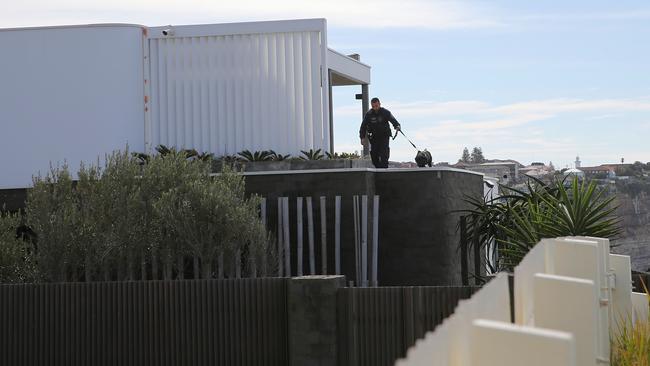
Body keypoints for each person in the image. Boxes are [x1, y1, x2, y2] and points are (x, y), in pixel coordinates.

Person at [359, 97, 401, 168]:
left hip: (384, 136)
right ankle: (378, 169)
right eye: (373, 106)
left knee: (384, 154)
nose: (375, 108)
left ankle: (384, 170)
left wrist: (397, 126)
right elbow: (363, 126)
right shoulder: (369, 114)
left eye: (376, 106)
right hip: (374, 138)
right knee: (374, 156)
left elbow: (393, 120)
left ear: (379, 104)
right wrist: (362, 137)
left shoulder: (385, 112)